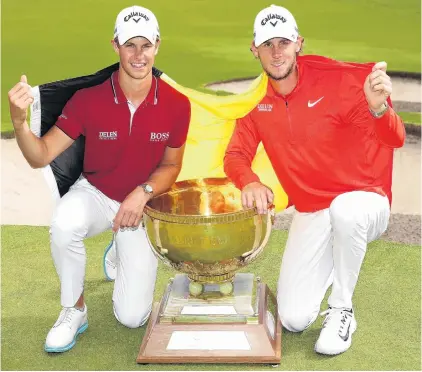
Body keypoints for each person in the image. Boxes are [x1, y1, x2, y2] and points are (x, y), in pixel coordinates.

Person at [7, 5, 191, 353]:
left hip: (141, 205)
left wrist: (143, 193)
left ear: (157, 46)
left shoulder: (177, 104)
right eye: (129, 45)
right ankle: (73, 310)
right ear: (115, 46)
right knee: (64, 225)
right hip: (96, 193)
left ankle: (120, 247)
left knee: (132, 317)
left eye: (145, 45)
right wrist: (18, 122)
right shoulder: (87, 100)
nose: (138, 55)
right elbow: (40, 156)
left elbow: (171, 165)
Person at [224, 4, 405, 356]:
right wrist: (249, 180)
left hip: (364, 199)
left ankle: (342, 309)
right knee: (293, 318)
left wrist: (379, 109)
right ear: (254, 50)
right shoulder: (256, 102)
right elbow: (235, 155)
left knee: (346, 212)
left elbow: (394, 139)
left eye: (284, 42)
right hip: (313, 210)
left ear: (299, 43)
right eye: (267, 44)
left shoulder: (340, 82)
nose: (276, 52)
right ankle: (331, 266)